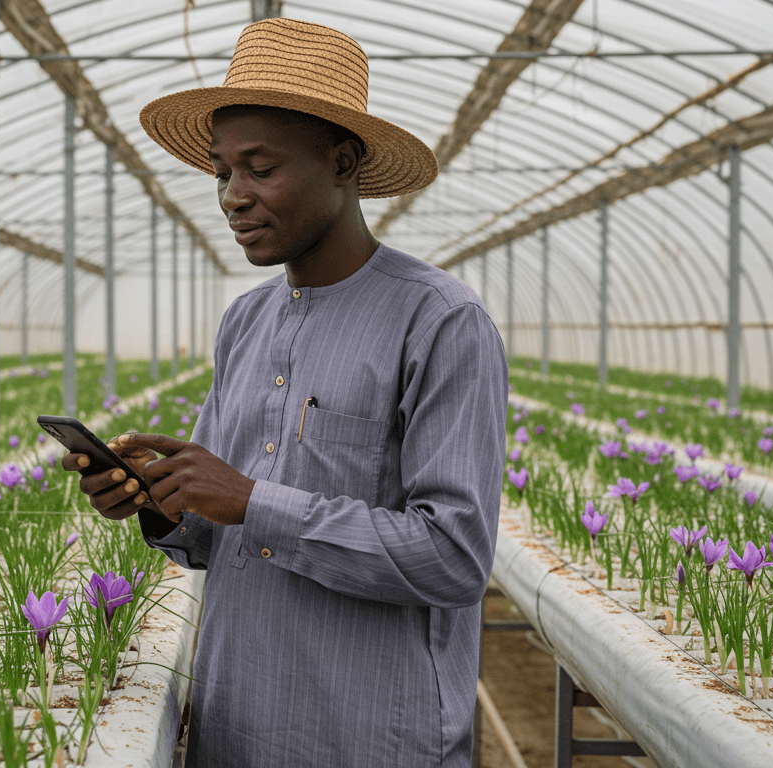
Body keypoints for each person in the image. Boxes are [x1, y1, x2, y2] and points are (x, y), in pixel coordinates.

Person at [60, 18, 507, 767]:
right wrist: (162, 501)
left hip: (367, 742)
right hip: (233, 729)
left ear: (342, 162)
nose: (232, 196)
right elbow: (217, 534)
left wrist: (251, 499)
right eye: (221, 171)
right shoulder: (246, 321)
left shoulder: (439, 323)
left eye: (260, 168)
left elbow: (453, 558)